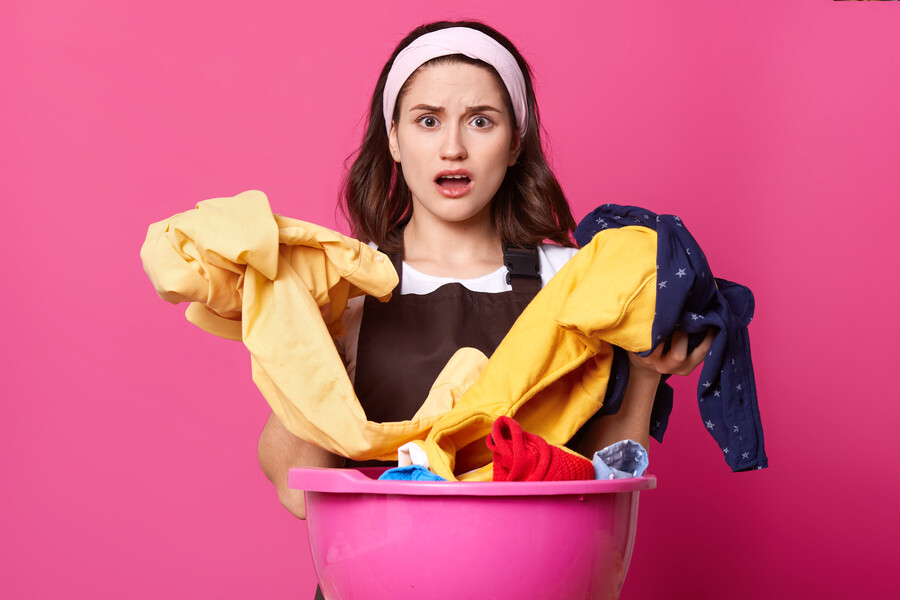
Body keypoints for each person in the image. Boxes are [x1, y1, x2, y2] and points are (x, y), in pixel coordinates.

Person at [257, 20, 713, 522]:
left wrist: (645, 375)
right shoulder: (346, 286)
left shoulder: (572, 280)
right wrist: (308, 340)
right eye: (427, 121)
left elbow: (600, 482)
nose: (453, 147)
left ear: (515, 143)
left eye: (481, 121)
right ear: (393, 138)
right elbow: (299, 492)